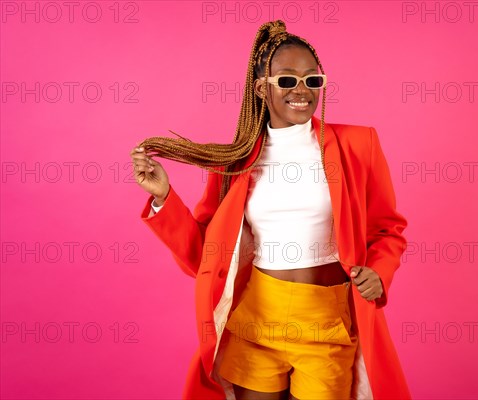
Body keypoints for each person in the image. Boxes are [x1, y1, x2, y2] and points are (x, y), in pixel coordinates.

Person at [129, 20, 411, 400]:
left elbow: (387, 229)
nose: (302, 91)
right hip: (256, 319)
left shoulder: (358, 144)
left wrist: (379, 272)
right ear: (262, 88)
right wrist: (164, 197)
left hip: (326, 320)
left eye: (313, 81)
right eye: (287, 80)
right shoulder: (234, 161)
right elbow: (204, 255)